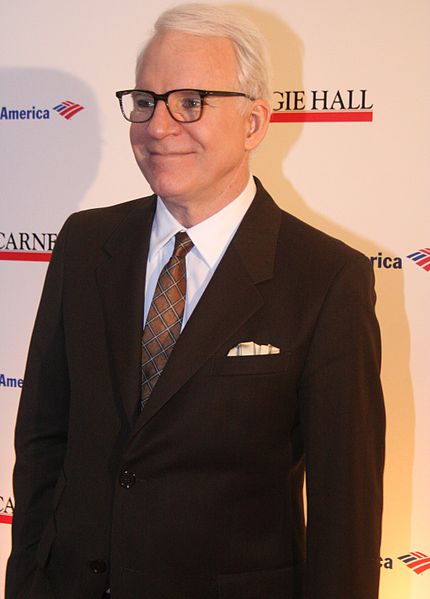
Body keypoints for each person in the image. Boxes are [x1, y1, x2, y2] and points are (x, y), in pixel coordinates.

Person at [6, 3, 385, 599]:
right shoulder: (85, 244)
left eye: (191, 102)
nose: (158, 127)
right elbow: (43, 440)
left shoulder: (327, 278)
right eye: (146, 101)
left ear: (255, 123)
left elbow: (346, 512)